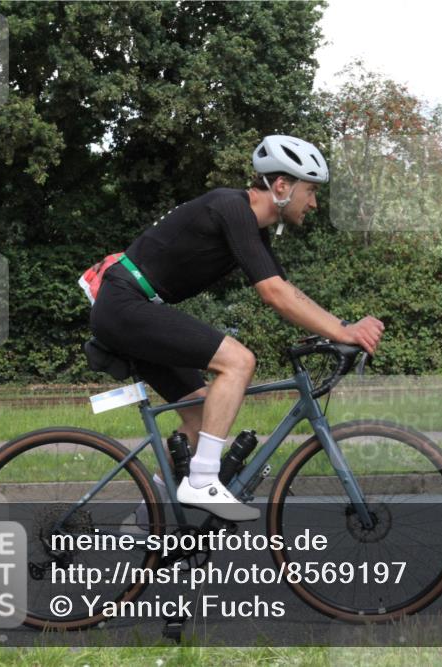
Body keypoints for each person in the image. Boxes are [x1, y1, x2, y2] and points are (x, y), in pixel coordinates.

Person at [89, 135, 384, 522]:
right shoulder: (232, 208)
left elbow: (286, 290)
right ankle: (203, 479)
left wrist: (340, 327)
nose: (313, 203)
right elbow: (274, 294)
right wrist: (345, 332)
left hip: (132, 306)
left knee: (198, 412)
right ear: (282, 186)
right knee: (239, 361)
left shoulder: (249, 226)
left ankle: (144, 522)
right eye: (310, 191)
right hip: (124, 305)